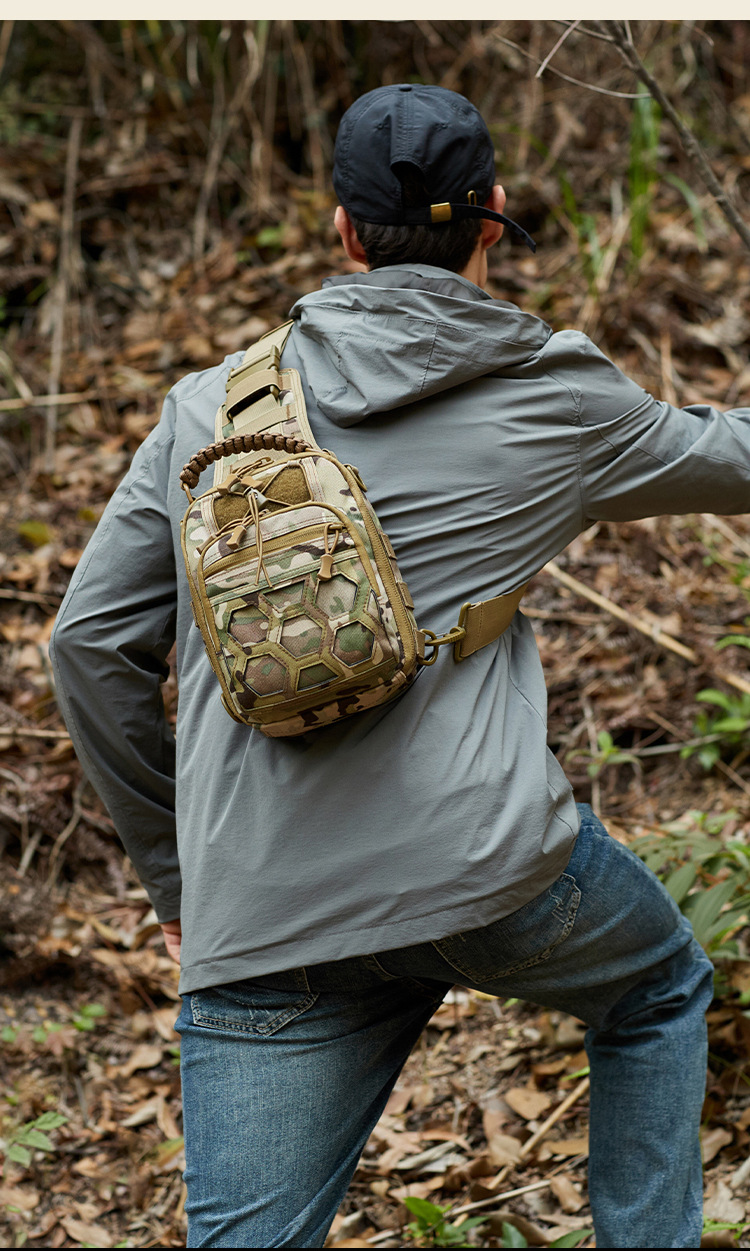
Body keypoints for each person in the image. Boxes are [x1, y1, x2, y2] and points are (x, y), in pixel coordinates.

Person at [49, 83, 750, 1249]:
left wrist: (180, 887)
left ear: (343, 230)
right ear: (494, 216)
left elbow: (87, 648)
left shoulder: (210, 410)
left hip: (263, 912)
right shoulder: (556, 397)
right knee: (656, 988)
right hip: (489, 875)